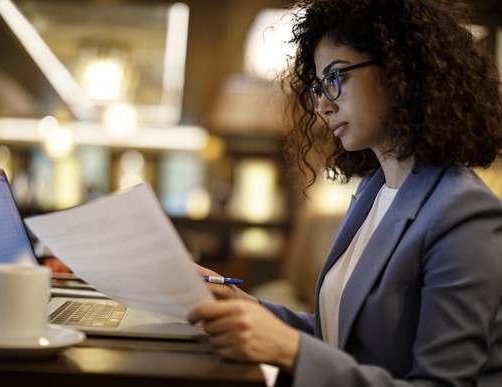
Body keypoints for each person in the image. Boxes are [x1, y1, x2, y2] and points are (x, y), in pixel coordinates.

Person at [187, 0, 502, 386]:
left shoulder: (464, 212)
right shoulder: (375, 191)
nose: (322, 105)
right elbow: (344, 337)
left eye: (336, 77)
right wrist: (249, 308)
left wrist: (291, 349)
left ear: (400, 69)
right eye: (318, 87)